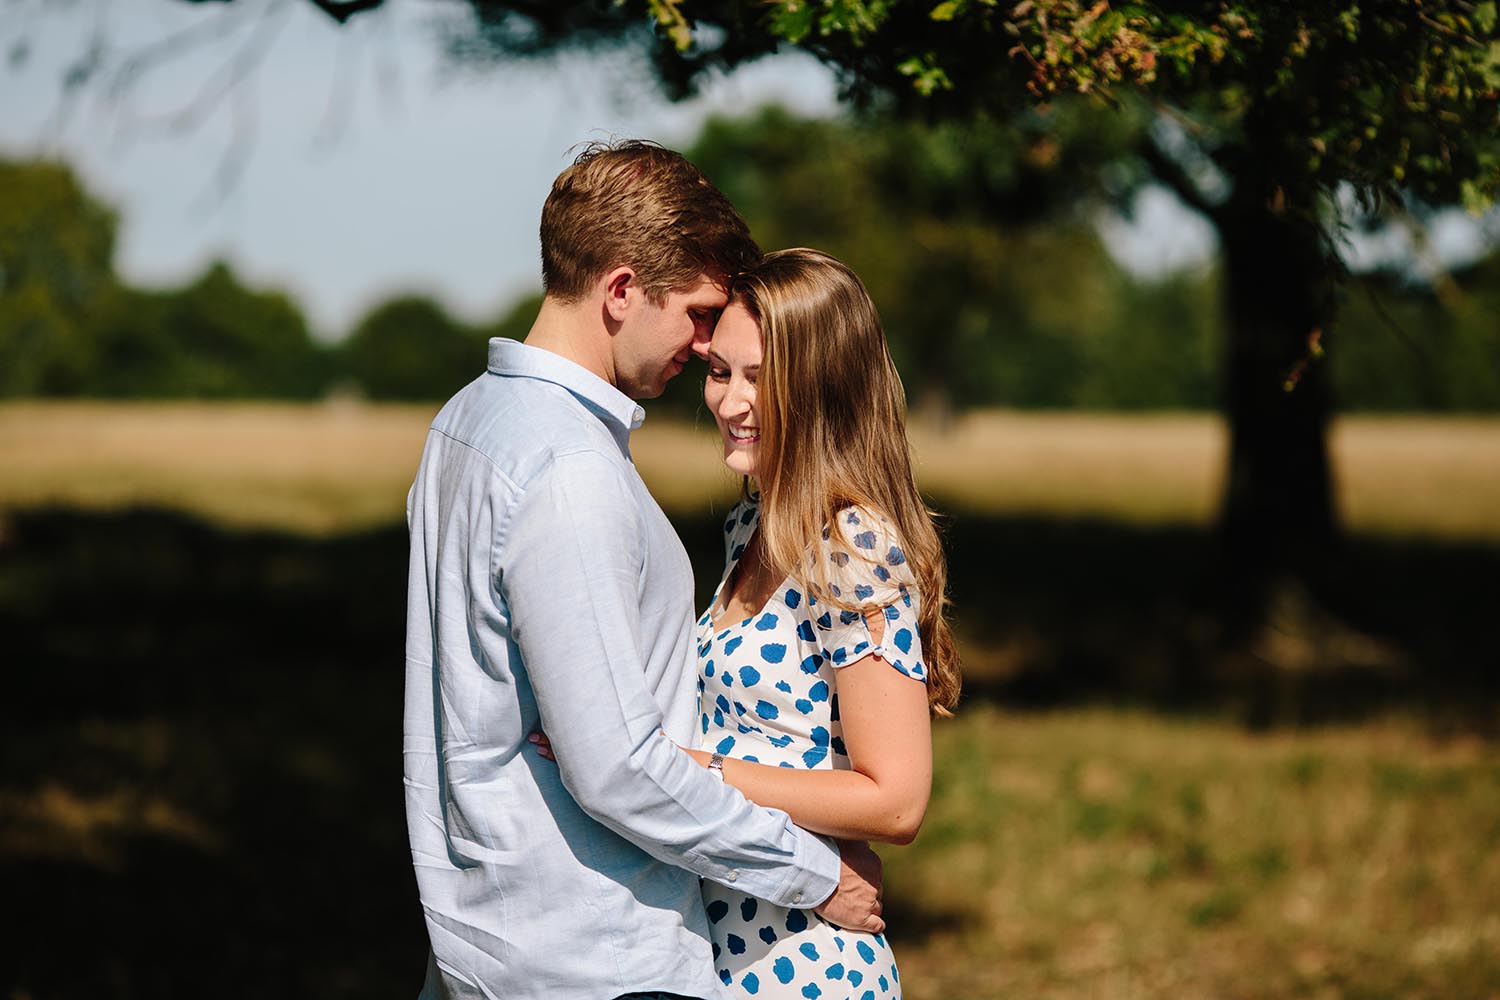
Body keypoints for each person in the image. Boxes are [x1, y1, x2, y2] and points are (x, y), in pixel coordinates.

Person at [402, 142, 884, 1000]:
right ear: (621, 291)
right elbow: (618, 767)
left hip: (489, 934)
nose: (705, 346)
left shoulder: (467, 421)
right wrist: (814, 874)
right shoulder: (567, 466)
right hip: (593, 950)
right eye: (699, 314)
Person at [535, 248, 961, 999]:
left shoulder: (852, 545)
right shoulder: (752, 527)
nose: (730, 402)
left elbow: (897, 801)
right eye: (720, 372)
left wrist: (689, 770)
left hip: (809, 966)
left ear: (820, 387)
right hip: (727, 947)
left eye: (761, 379)